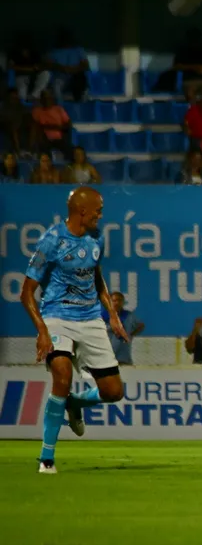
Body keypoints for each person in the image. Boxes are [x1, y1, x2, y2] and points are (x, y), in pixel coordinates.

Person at [20, 186, 128, 474]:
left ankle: (74, 404)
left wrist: (112, 315)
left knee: (114, 391)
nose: (101, 215)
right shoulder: (52, 240)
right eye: (98, 210)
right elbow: (26, 293)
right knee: (63, 375)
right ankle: (47, 458)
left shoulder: (96, 239)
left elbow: (96, 276)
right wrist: (42, 330)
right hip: (57, 316)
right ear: (82, 211)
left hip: (91, 318)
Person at [103, 292, 144, 365]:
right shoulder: (103, 316)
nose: (117, 303)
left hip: (123, 357)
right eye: (114, 300)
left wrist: (131, 335)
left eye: (119, 300)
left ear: (123, 302)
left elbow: (141, 325)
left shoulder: (129, 316)